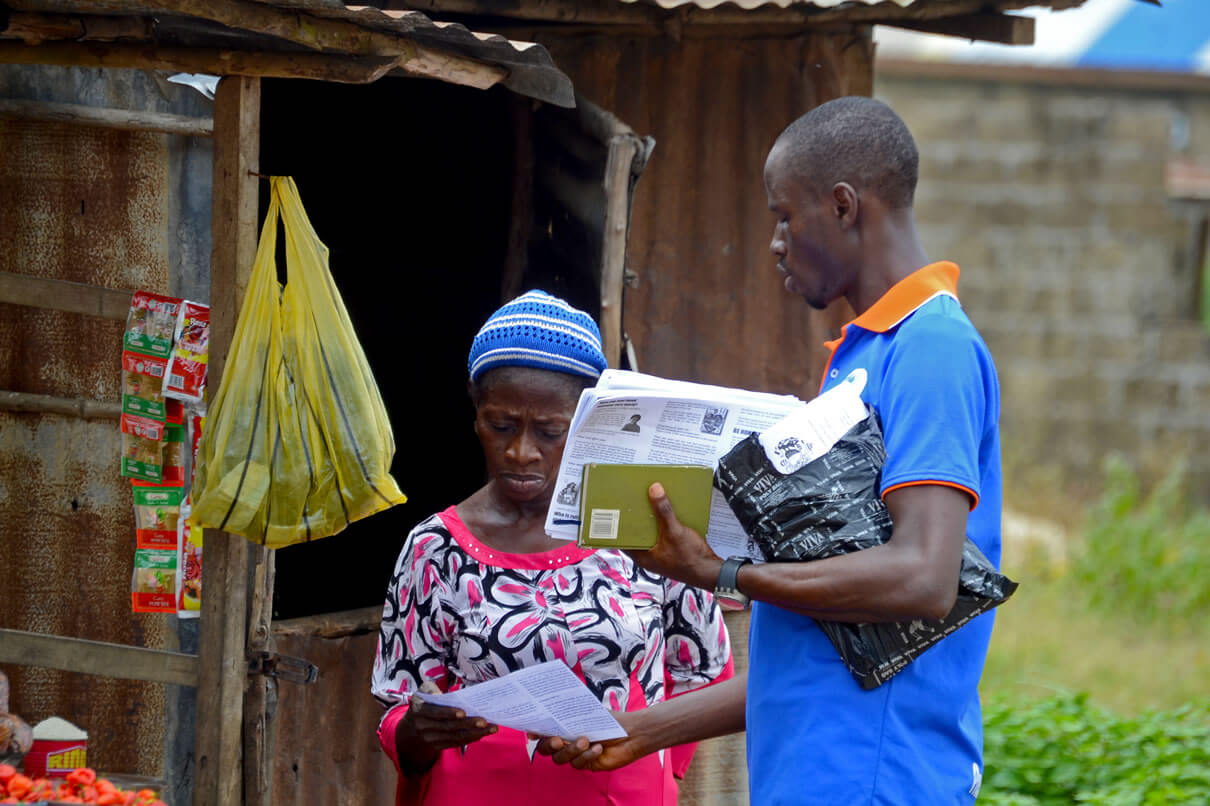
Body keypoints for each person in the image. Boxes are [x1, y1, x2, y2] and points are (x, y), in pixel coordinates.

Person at [538, 97, 1004, 805]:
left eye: (785, 217)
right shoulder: (860, 359)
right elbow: (817, 654)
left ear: (844, 206)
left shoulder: (930, 347)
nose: (776, 243)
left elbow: (922, 579)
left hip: (876, 777)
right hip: (820, 773)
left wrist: (722, 573)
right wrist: (641, 730)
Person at [371, 289, 734, 806]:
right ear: (475, 412)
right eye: (501, 426)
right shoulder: (435, 549)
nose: (521, 452)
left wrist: (657, 772)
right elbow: (396, 706)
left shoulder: (646, 533)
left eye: (549, 431)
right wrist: (419, 731)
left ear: (588, 421)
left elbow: (702, 666)